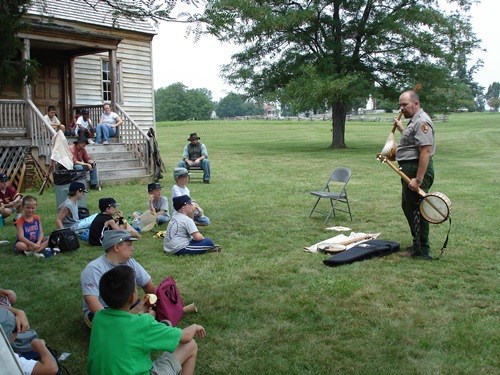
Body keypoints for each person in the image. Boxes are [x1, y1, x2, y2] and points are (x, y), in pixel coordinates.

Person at [87, 265, 205, 375]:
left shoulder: (98, 317)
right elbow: (186, 337)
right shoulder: (143, 324)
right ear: (132, 297)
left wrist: (140, 309)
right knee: (191, 345)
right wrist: (194, 326)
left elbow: (122, 319)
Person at [81, 230, 196, 327]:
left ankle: (144, 320)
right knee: (142, 317)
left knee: (149, 311)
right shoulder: (94, 269)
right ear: (116, 247)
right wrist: (114, 322)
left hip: (126, 305)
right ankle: (143, 322)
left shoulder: (130, 262)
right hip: (104, 312)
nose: (133, 248)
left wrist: (154, 303)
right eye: (129, 245)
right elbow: (92, 303)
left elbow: (148, 285)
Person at [394, 90, 436, 260]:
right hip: (409, 169)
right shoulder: (414, 121)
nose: (401, 108)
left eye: (405, 104)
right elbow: (413, 141)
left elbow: (425, 152)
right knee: (408, 206)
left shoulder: (422, 121)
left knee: (417, 210)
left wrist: (418, 179)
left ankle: (422, 251)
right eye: (400, 105)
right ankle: (417, 243)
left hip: (416, 171)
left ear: (416, 103)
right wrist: (401, 129)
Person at [0, 305, 59, 375]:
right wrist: (41, 347)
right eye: (16, 327)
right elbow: (51, 369)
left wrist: (19, 312)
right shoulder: (6, 359)